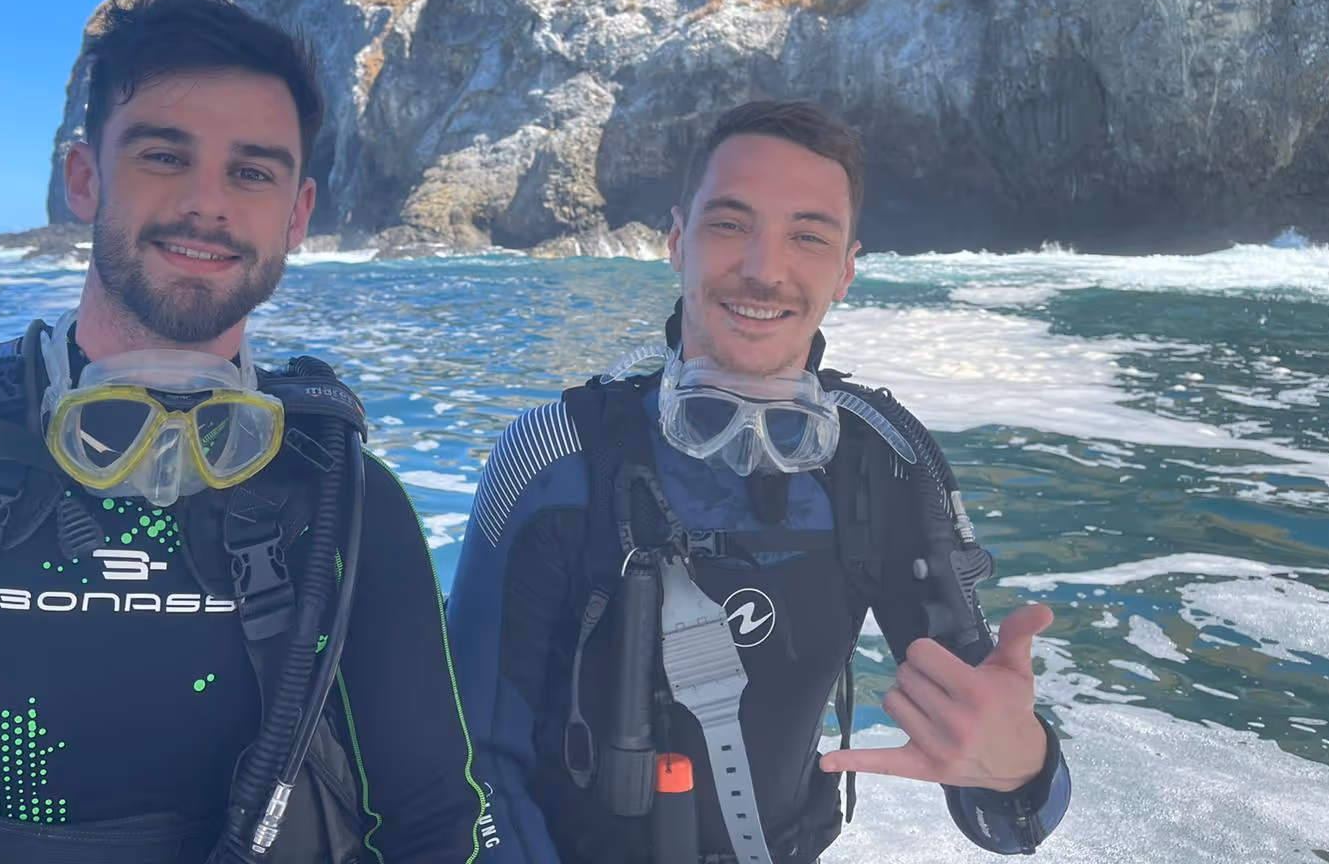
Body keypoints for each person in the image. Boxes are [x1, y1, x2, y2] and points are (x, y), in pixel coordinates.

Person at [0, 0, 484, 864]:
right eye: (163, 156)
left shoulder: (342, 502)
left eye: (253, 172)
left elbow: (432, 823)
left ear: (297, 215)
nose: (208, 204)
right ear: (83, 179)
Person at [446, 100, 1072, 864]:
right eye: (729, 223)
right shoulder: (557, 460)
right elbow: (466, 763)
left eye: (807, 235)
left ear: (845, 270)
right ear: (677, 240)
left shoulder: (879, 462)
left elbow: (1001, 814)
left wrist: (1022, 766)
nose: (765, 270)